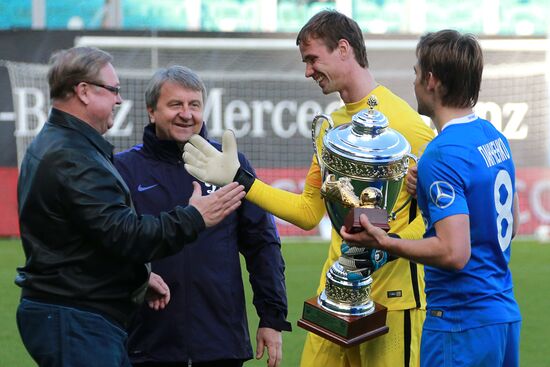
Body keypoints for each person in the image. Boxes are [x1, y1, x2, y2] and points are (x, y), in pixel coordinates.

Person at [183, 10, 435, 367]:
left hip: (392, 302)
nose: (307, 71)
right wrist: (242, 179)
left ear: (343, 49)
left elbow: (441, 221)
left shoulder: (409, 128)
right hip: (334, 295)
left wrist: (386, 246)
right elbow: (308, 212)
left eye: (313, 59)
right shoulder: (330, 128)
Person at [15, 47, 245, 367]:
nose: (119, 100)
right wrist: (194, 217)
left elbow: (90, 234)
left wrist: (134, 276)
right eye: (114, 90)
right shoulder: (72, 155)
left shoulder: (62, 143)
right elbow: (124, 233)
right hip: (76, 318)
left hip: (75, 313)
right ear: (84, 91)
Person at [340, 30, 522, 367]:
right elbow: (512, 227)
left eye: (415, 72)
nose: (413, 82)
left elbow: (454, 252)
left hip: (459, 323)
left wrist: (385, 241)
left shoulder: (441, 154)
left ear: (432, 80)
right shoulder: (493, 137)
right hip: (502, 317)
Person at [114, 65, 291, 367]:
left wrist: (271, 317)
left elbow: (262, 245)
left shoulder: (230, 164)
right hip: (148, 345)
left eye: (194, 105)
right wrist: (138, 277)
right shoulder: (125, 169)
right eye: (175, 105)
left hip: (220, 344)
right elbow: (111, 244)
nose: (187, 114)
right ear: (151, 111)